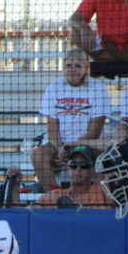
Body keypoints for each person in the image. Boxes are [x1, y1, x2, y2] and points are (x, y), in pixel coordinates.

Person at [31, 48, 110, 192]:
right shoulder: (53, 88)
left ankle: (97, 197)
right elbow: (52, 129)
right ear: (63, 68)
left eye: (78, 66)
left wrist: (71, 148)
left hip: (89, 143)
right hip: (59, 144)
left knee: (107, 158)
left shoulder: (98, 89)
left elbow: (95, 130)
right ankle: (55, 196)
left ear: (86, 68)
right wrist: (59, 147)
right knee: (38, 155)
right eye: (69, 66)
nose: (73, 70)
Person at [36, 145, 112, 208]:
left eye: (83, 165)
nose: (78, 169)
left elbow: (114, 147)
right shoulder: (53, 196)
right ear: (67, 168)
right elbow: (28, 213)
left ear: (92, 170)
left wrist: (74, 143)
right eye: (73, 164)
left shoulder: (102, 191)